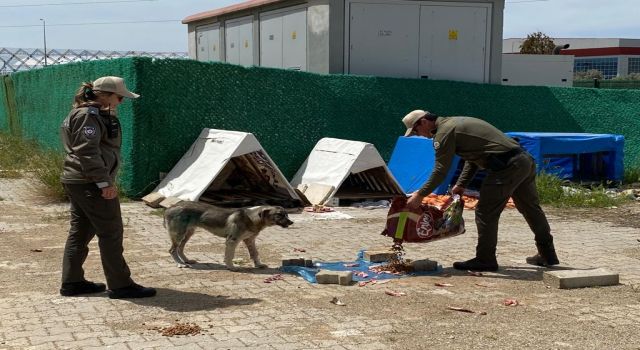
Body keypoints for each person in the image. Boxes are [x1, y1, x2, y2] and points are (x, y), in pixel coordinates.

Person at [401, 109, 559, 271]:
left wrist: (420, 194)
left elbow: (441, 170)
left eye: (416, 130)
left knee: (485, 211)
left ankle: (485, 259)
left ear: (423, 122)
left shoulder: (443, 133)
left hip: (506, 167)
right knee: (531, 209)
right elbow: (474, 156)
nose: (418, 134)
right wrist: (462, 184)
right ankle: (548, 254)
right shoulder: (455, 123)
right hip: (523, 161)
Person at [59, 76, 156, 299]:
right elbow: (87, 151)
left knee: (81, 231)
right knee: (111, 232)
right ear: (106, 95)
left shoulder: (90, 113)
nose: (121, 102)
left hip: (80, 180)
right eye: (119, 97)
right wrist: (103, 183)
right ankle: (121, 285)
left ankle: (73, 282)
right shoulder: (88, 115)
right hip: (89, 182)